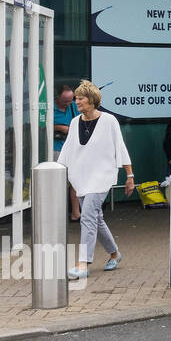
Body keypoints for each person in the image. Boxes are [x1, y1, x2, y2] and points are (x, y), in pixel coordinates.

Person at [57, 80, 132, 279]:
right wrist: (58, 171)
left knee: (88, 217)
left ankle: (83, 264)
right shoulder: (75, 122)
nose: (77, 101)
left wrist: (130, 175)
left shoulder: (109, 121)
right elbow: (67, 150)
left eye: (80, 98)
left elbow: (120, 147)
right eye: (77, 98)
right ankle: (115, 254)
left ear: (91, 101)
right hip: (81, 177)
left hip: (102, 177)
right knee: (96, 219)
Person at [52, 84, 82, 221]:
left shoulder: (74, 107)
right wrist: (59, 128)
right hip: (56, 148)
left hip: (72, 148)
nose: (68, 104)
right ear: (57, 98)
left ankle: (76, 213)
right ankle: (56, 213)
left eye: (71, 100)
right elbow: (39, 124)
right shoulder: (50, 109)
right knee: (58, 182)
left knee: (75, 181)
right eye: (65, 101)